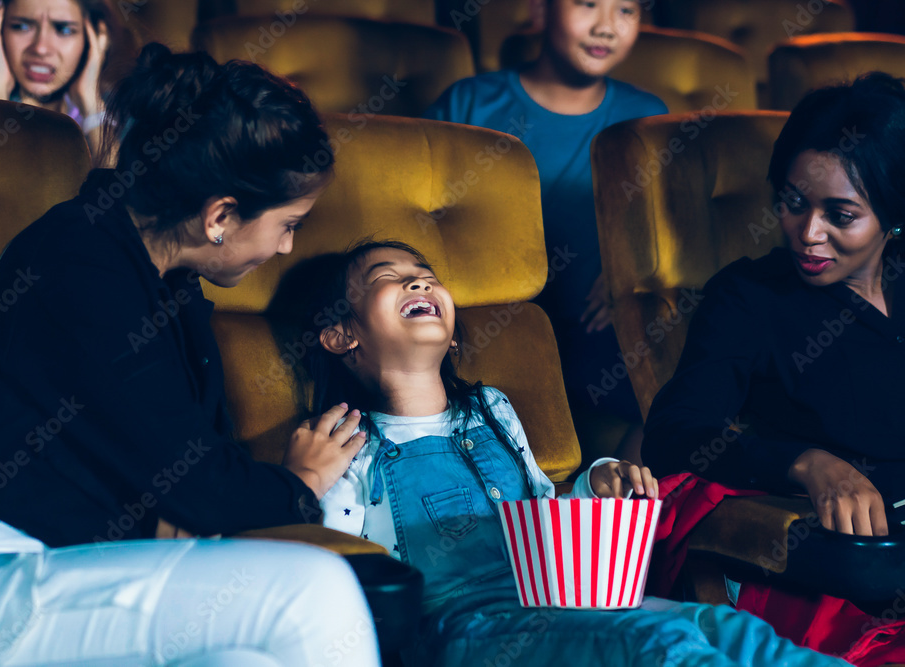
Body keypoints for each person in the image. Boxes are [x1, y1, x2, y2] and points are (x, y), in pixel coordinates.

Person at [0, 44, 377, 666]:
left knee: (246, 658)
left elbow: (195, 485)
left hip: (64, 564)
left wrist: (196, 502)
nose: (287, 247)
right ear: (221, 217)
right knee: (314, 593)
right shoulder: (80, 260)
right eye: (289, 223)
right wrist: (301, 483)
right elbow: (203, 487)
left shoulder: (167, 284)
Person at [292, 239, 849, 666]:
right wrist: (309, 485)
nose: (418, 285)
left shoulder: (490, 409)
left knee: (734, 631)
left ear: (454, 333)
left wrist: (598, 482)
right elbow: (335, 562)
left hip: (565, 599)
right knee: (660, 640)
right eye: (390, 279)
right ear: (342, 335)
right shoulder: (347, 439)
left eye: (427, 278)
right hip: (464, 630)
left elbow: (542, 508)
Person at [643, 73, 905, 538]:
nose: (808, 234)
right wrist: (805, 464)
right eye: (794, 203)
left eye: (840, 216)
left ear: (893, 216)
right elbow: (674, 434)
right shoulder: (751, 297)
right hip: (858, 554)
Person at [424, 0, 667, 449]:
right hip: (483, 323)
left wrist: (631, 270)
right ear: (540, 10)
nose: (606, 27)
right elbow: (414, 218)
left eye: (626, 11)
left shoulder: (648, 116)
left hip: (598, 330)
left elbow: (666, 227)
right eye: (588, 4)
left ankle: (623, 504)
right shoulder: (470, 102)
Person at [0, 0, 135, 162]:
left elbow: (122, 199)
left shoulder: (125, 114)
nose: (41, 48)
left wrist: (92, 107)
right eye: (22, 26)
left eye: (64, 29)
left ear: (96, 37)